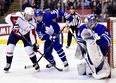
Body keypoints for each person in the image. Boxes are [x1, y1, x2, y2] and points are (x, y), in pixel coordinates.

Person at [75, 14, 111, 79]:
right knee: (88, 72)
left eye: (88, 23)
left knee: (102, 70)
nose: (86, 25)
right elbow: (81, 41)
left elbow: (108, 41)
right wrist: (81, 49)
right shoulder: (83, 28)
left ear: (93, 22)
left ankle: (100, 66)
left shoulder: (101, 28)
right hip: (90, 54)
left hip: (102, 54)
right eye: (86, 23)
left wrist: (98, 39)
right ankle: (90, 65)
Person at [4, 7, 40, 72]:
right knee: (10, 47)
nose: (30, 17)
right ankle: (8, 64)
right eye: (28, 15)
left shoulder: (33, 21)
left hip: (26, 35)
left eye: (31, 15)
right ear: (25, 13)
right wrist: (14, 25)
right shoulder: (18, 15)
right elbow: (7, 18)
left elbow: (33, 33)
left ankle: (35, 63)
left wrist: (34, 44)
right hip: (15, 34)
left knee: (28, 49)